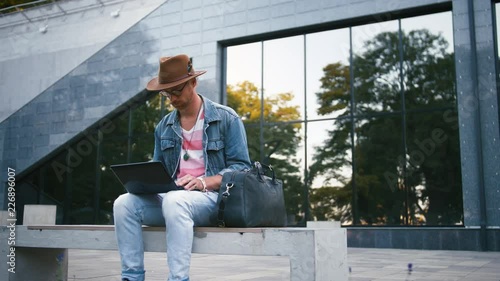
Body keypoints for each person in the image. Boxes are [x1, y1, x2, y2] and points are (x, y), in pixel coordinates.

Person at [113, 54, 251, 281]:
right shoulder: (164, 126)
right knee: (123, 204)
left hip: (212, 200)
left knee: (175, 200)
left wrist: (203, 181)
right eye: (166, 93)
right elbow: (159, 168)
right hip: (173, 201)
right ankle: (132, 276)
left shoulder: (226, 118)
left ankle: (178, 279)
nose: (172, 98)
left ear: (193, 83)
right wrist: (144, 181)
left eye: (177, 90)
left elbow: (242, 168)